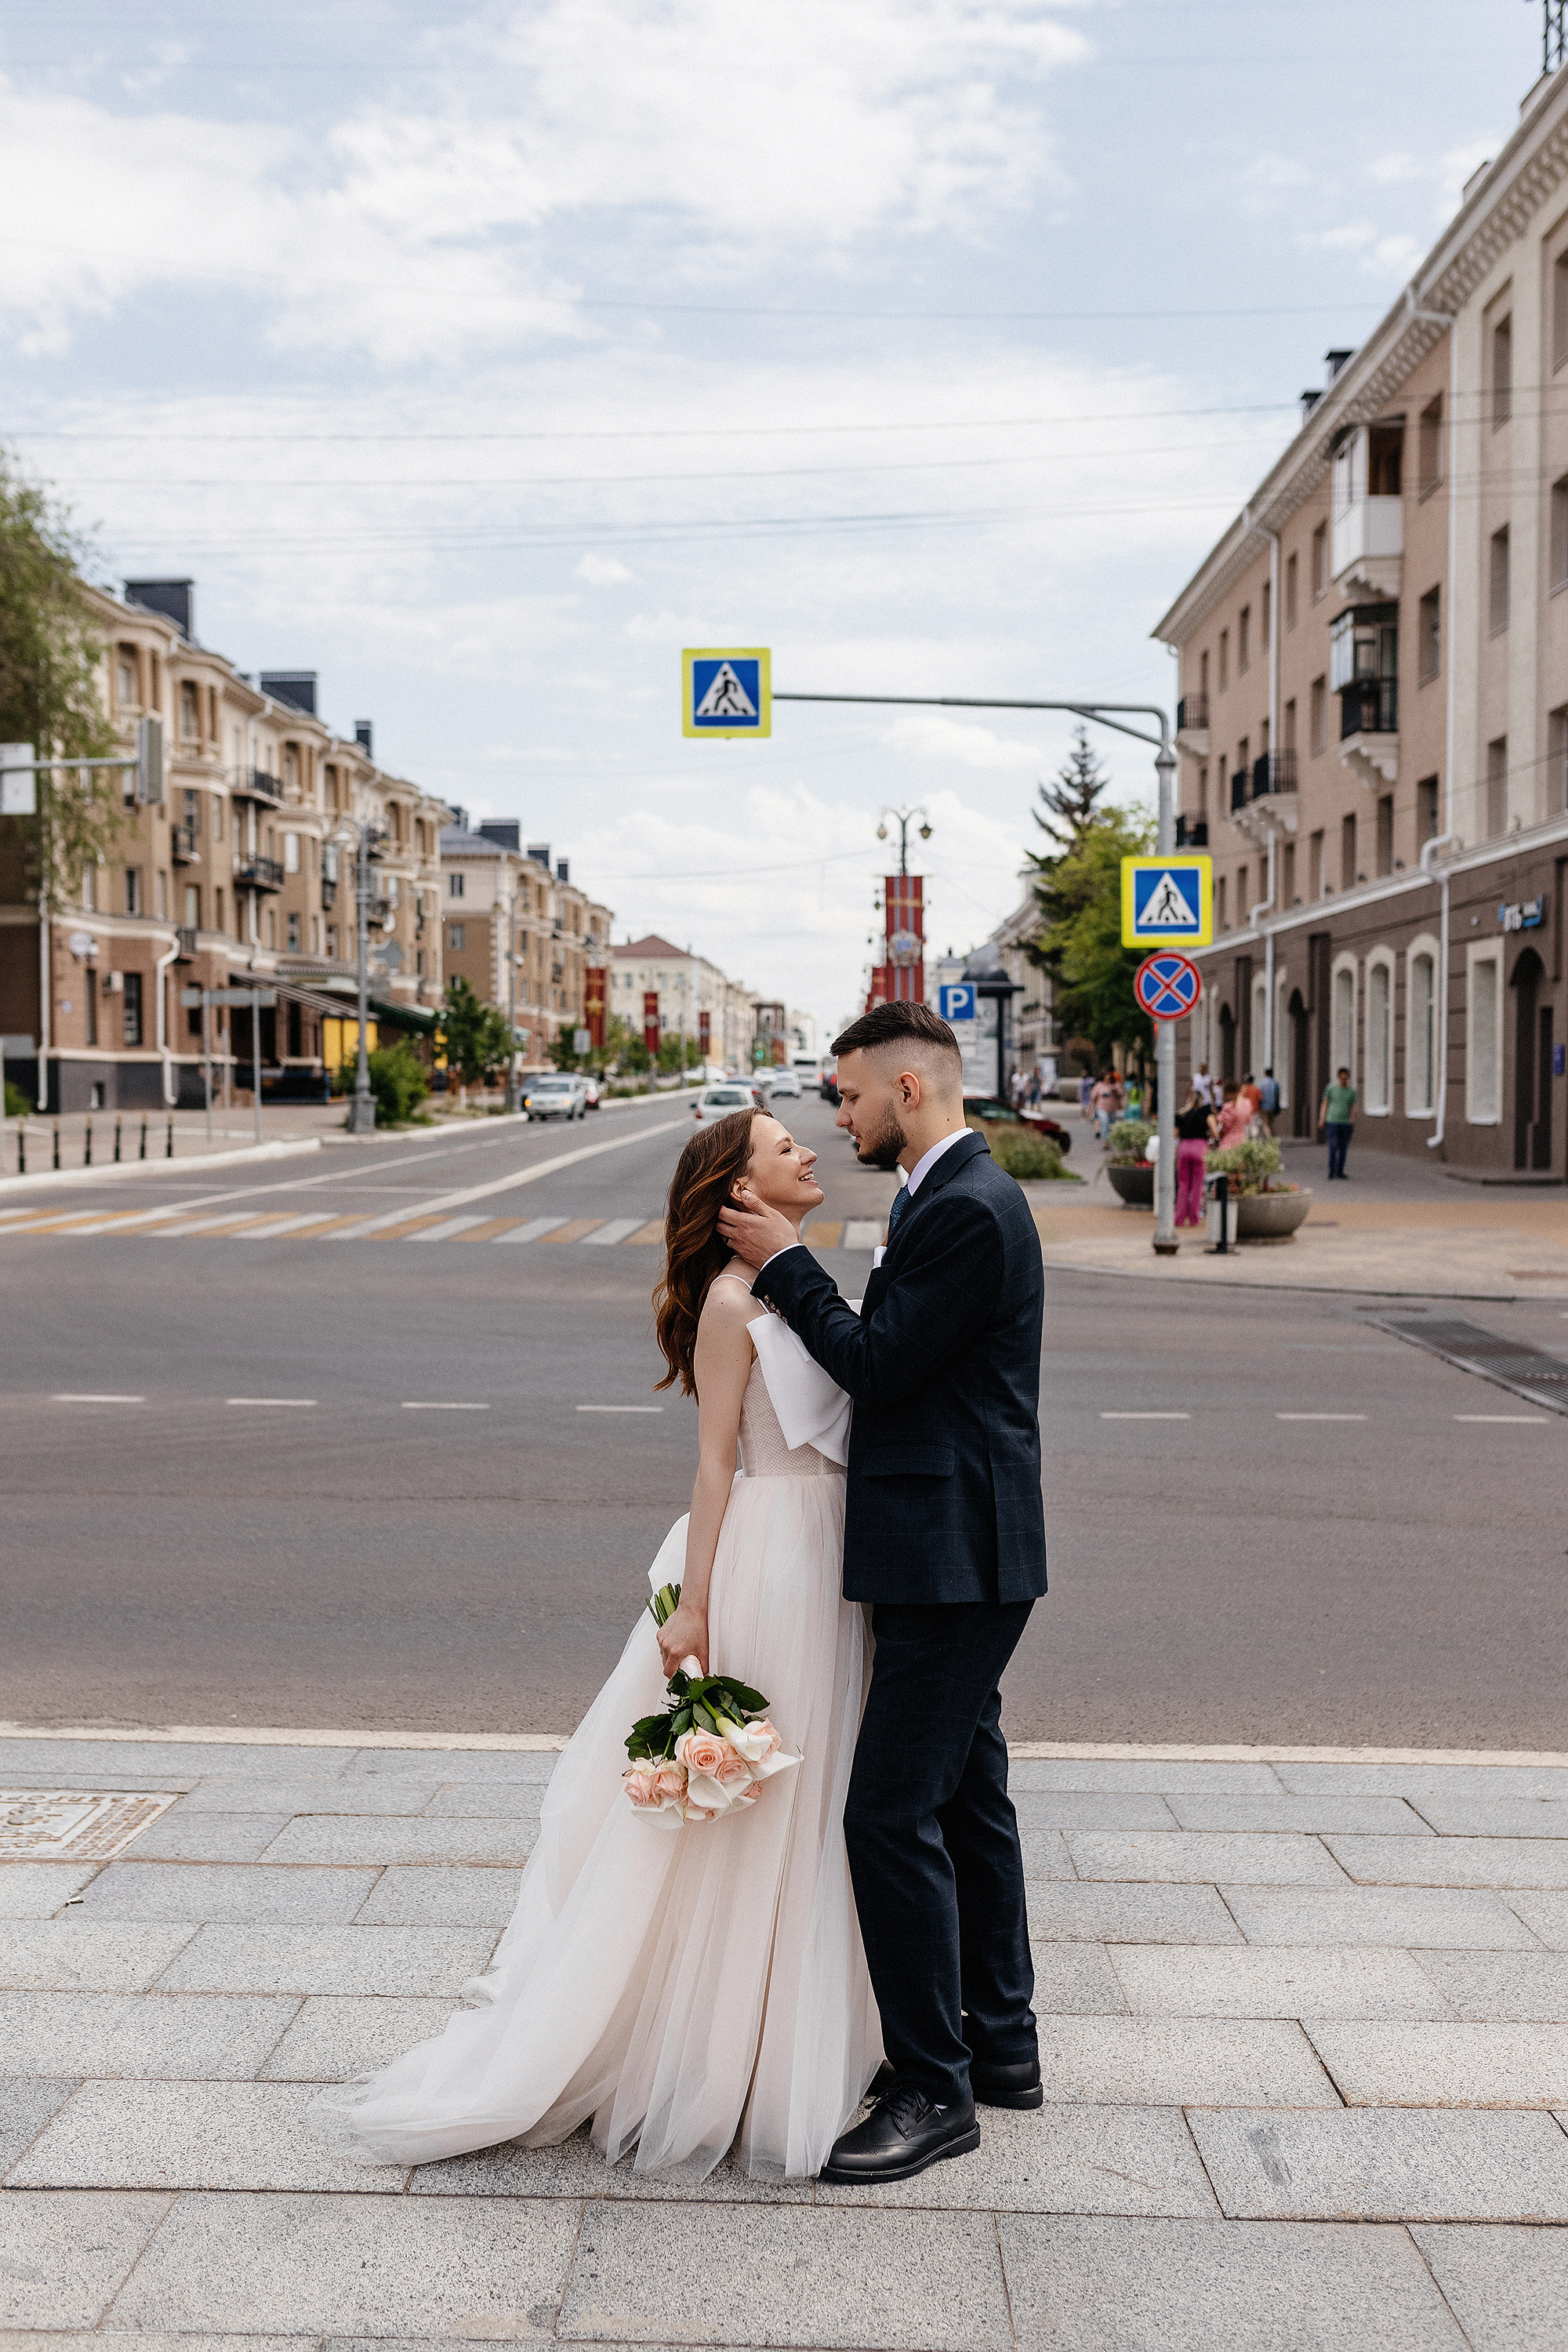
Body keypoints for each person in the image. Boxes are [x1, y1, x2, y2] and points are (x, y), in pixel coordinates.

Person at [310, 1108, 880, 2180]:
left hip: (830, 1550)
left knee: (821, 1799)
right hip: (771, 1555)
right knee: (760, 1809)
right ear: (740, 1191)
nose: (809, 1151)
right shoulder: (727, 1301)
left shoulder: (797, 1275)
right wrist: (696, 1611)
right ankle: (721, 2055)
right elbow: (718, 1466)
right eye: (785, 1146)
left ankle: (788, 2032)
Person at [719, 999, 1046, 2187]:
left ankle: (932, 2088)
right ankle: (999, 2049)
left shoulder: (965, 1205)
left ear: (908, 1090)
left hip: (954, 1556)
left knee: (886, 1813)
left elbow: (879, 1364)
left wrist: (787, 1268)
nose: (838, 1114)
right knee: (966, 1799)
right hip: (954, 1547)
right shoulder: (944, 1196)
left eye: (849, 1095)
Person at [1174, 1087, 1214, 1227]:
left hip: (1184, 1148)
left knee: (1183, 1185)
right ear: (1201, 1101)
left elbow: (1175, 1134)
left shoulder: (1181, 1114)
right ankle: (1194, 1218)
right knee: (1197, 1186)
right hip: (1200, 1149)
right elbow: (1215, 1131)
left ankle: (1179, 1218)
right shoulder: (1205, 1113)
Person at [1319, 1065, 1357, 1179]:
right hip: (1332, 1121)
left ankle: (1340, 1171)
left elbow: (1352, 1106)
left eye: (1346, 1078)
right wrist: (1322, 1118)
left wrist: (1352, 1119)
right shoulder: (1331, 1088)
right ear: (1338, 1077)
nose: (1344, 1080)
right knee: (1333, 1145)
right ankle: (1331, 1171)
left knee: (1343, 1148)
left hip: (1345, 1123)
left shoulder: (1351, 1091)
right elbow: (1325, 1103)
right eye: (1342, 1078)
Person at [1214, 1082, 1251, 1150]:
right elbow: (1248, 1121)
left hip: (1229, 1141)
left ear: (1228, 1093)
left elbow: (1224, 1127)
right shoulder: (1247, 1104)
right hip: (1242, 1140)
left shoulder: (1228, 1107)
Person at [1257, 1068, 1281, 1138]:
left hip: (1264, 1106)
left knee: (1266, 1124)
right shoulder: (1275, 1083)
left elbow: (1260, 1096)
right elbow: (1278, 1095)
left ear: (1265, 1074)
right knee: (1271, 1123)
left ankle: (1270, 1139)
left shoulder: (1262, 1083)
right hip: (1273, 1106)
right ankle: (1274, 1138)